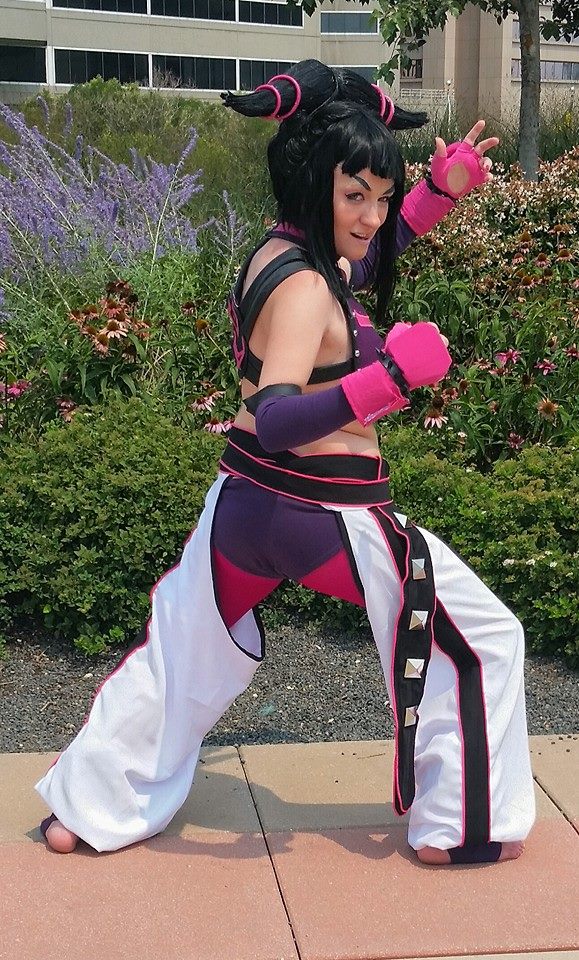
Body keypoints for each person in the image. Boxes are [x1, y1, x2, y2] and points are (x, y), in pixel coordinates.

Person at [36, 60, 535, 863]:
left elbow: (369, 250)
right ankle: (460, 827)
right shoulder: (305, 288)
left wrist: (435, 194)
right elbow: (275, 419)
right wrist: (387, 378)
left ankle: (83, 810)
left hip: (243, 511)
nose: (372, 216)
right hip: (320, 517)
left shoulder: (283, 250)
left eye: (380, 195)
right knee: (483, 637)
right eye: (356, 195)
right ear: (314, 183)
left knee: (180, 656)